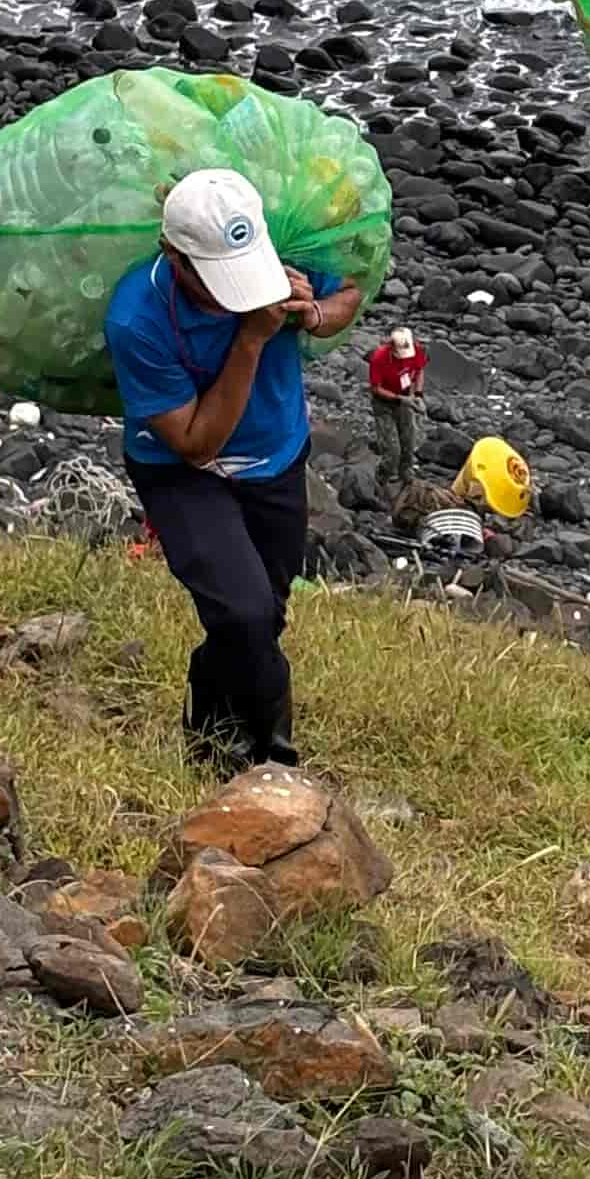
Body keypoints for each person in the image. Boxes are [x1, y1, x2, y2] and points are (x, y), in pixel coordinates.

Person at [105, 170, 362, 772]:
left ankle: (206, 733)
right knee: (245, 613)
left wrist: (315, 312)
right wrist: (251, 339)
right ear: (173, 256)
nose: (232, 295)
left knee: (261, 615)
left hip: (276, 457)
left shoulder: (279, 260)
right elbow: (195, 442)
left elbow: (349, 290)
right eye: (214, 279)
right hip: (181, 472)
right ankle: (273, 759)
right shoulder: (137, 319)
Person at [365, 320, 430, 505]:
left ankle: (406, 478)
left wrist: (418, 395)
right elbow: (376, 388)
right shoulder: (379, 358)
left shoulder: (415, 349)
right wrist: (400, 399)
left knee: (409, 442)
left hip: (405, 398)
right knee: (392, 450)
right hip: (384, 404)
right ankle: (380, 481)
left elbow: (419, 371)